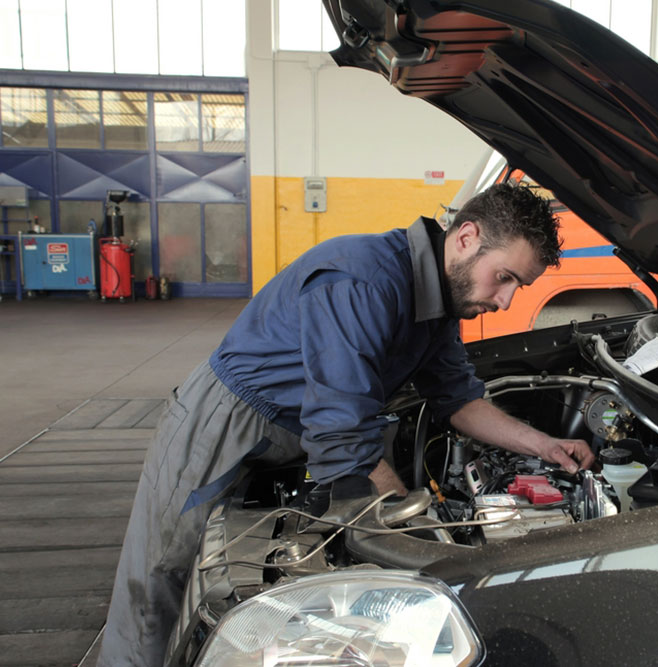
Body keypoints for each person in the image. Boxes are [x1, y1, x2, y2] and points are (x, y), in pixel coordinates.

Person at [97, 182, 595, 666]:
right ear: (466, 238)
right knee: (163, 576)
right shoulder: (364, 280)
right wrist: (409, 522)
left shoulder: (437, 303)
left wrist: (544, 445)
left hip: (293, 430)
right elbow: (342, 433)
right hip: (226, 420)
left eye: (518, 286)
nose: (506, 301)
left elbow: (458, 398)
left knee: (231, 571)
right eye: (504, 277)